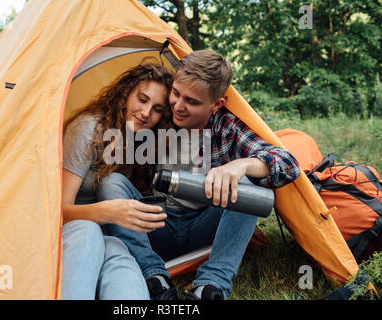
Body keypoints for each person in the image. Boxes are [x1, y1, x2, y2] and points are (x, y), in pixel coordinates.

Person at [97, 50, 301, 300]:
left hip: (206, 224)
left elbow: (288, 164)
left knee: (250, 187)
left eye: (192, 102)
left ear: (216, 105)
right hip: (159, 223)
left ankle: (211, 285)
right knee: (111, 183)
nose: (179, 107)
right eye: (176, 94)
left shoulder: (225, 127)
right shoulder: (159, 117)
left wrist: (241, 166)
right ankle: (154, 279)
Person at [61, 63, 173, 299]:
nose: (145, 113)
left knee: (121, 253)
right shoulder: (88, 129)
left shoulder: (138, 140)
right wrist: (108, 212)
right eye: (142, 99)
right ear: (125, 94)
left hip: (106, 232)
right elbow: (57, 212)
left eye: (157, 109)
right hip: (71, 231)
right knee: (91, 232)